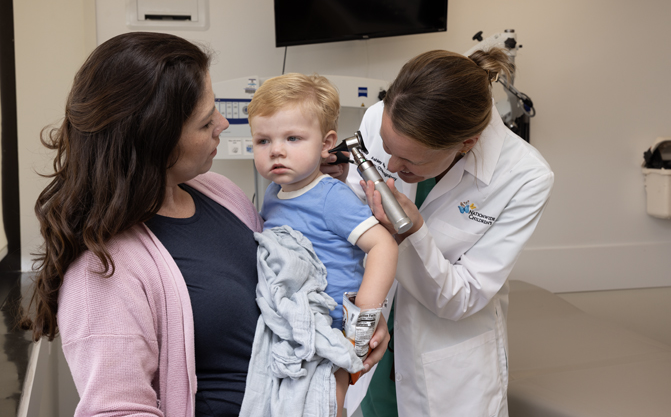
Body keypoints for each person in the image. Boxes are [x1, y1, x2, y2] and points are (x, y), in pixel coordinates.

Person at [20, 32, 389, 417]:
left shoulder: (218, 192)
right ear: (156, 141)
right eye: (204, 122)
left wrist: (361, 328)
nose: (223, 124)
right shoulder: (102, 270)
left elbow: (288, 280)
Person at [325, 49, 555, 417]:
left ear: (467, 144)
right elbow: (350, 224)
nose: (394, 168)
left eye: (411, 161)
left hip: (445, 364)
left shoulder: (525, 177)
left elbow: (462, 297)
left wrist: (414, 231)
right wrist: (332, 184)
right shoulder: (377, 119)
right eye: (387, 150)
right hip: (368, 341)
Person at [247, 73, 399, 411]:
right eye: (263, 141)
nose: (277, 151)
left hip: (332, 331)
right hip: (293, 329)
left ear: (326, 143)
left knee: (328, 407)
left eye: (293, 138)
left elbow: (383, 245)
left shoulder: (331, 197)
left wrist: (365, 317)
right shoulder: (273, 195)